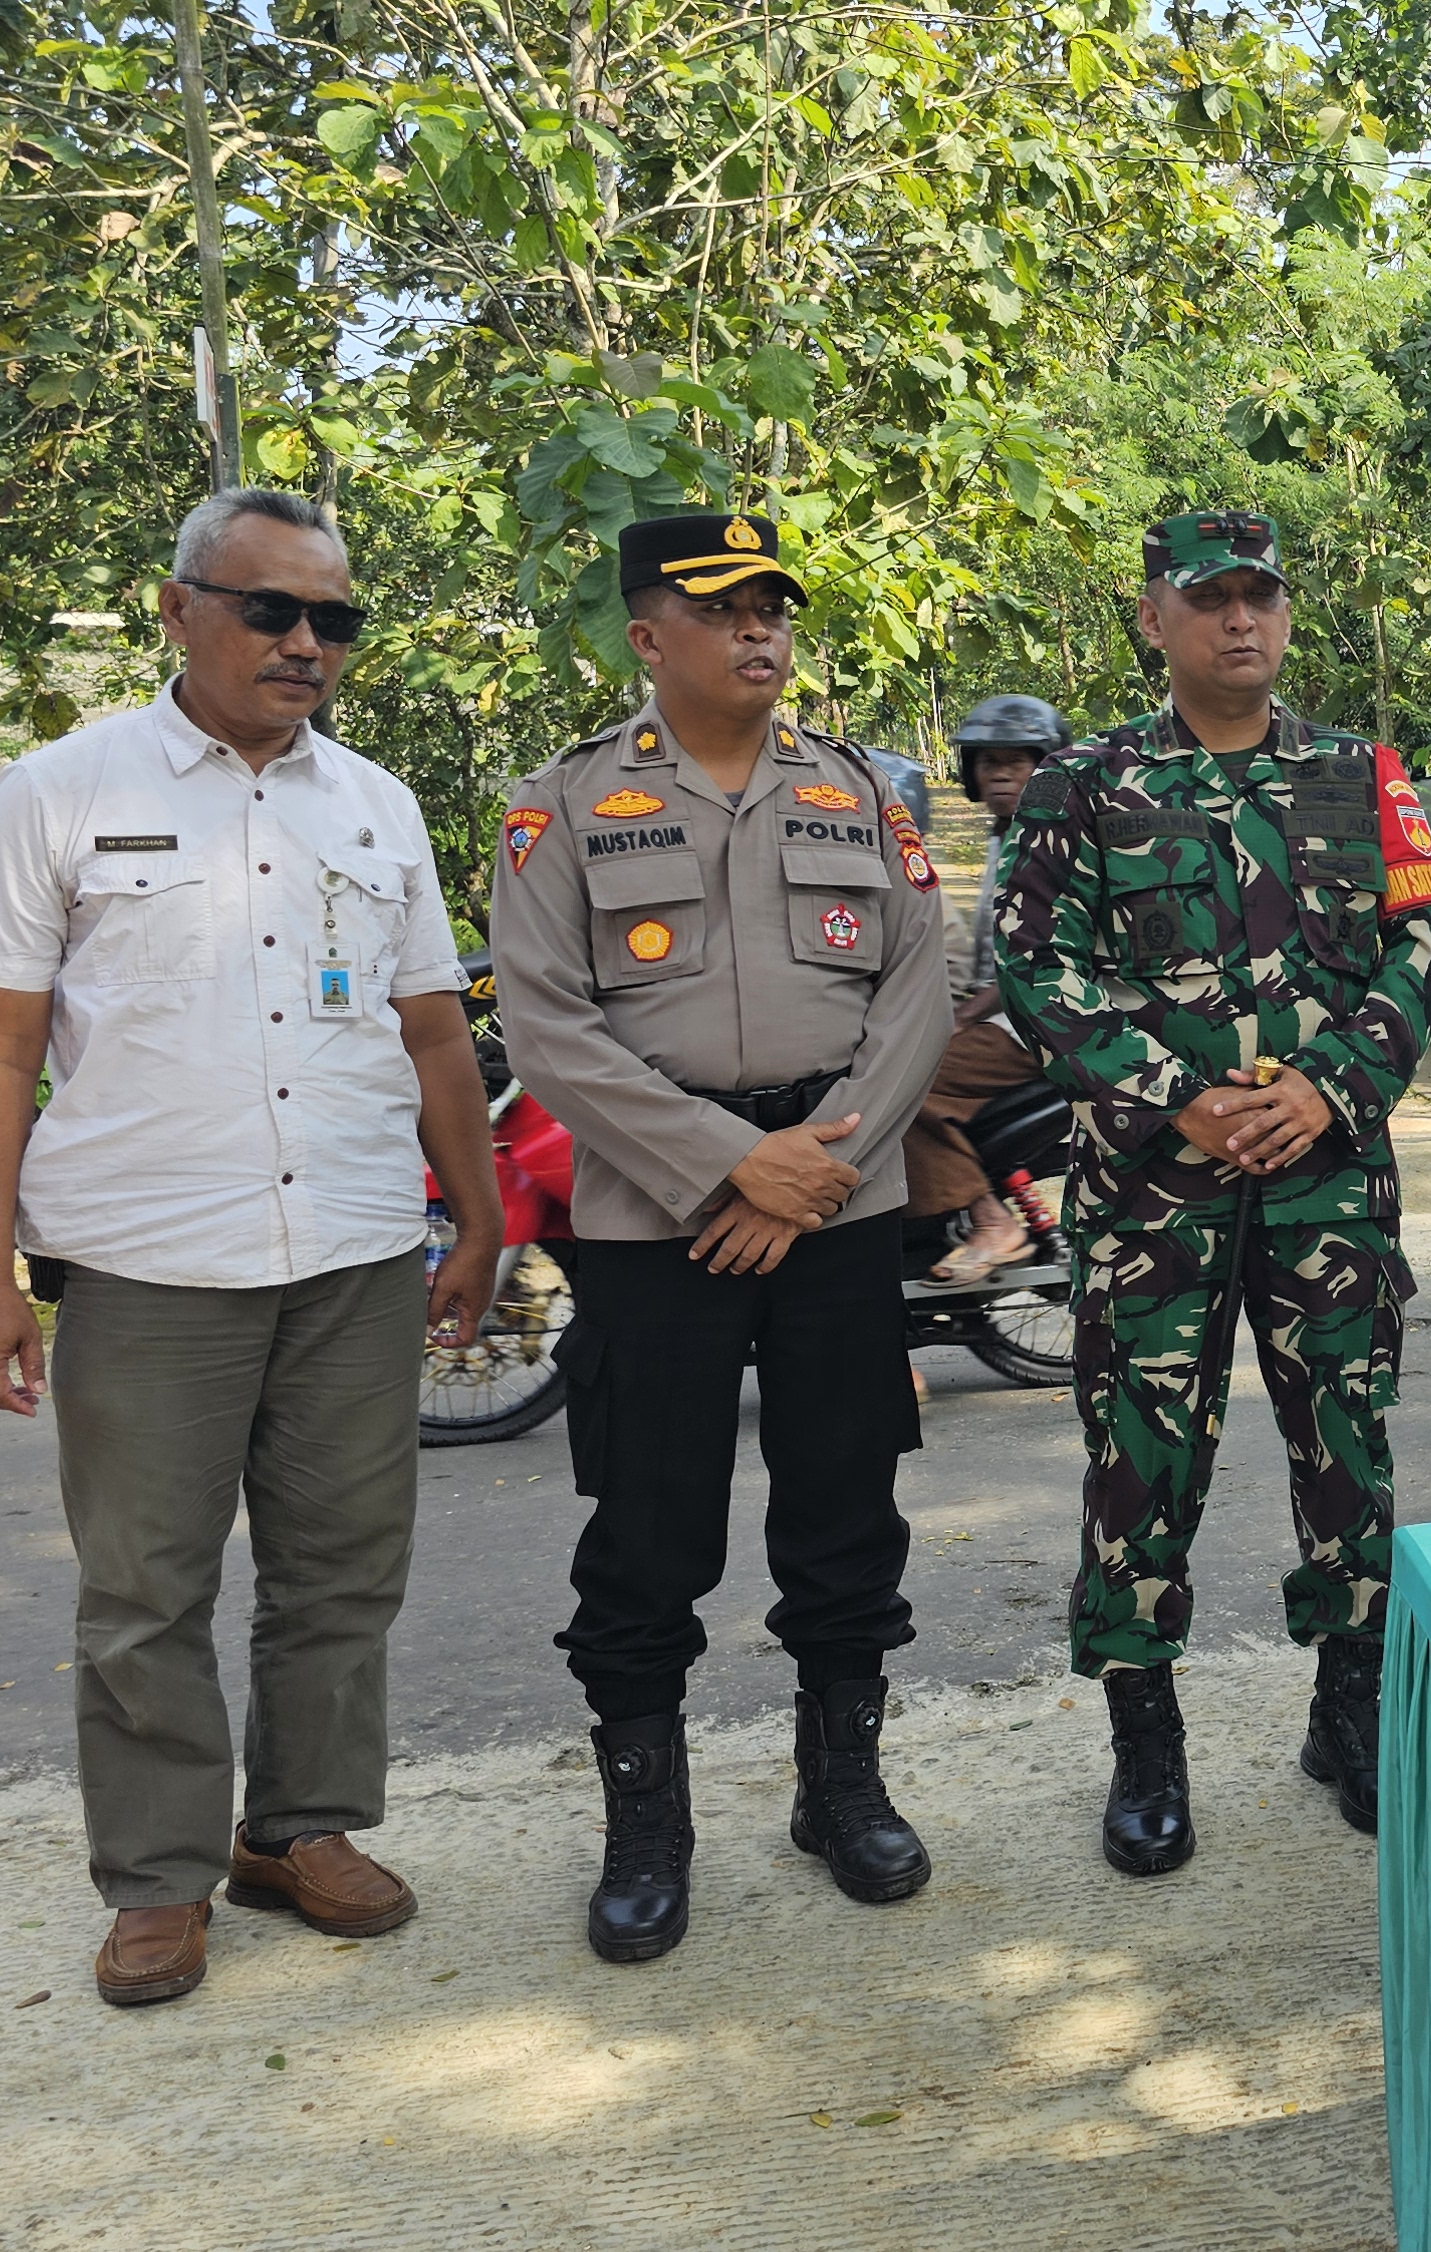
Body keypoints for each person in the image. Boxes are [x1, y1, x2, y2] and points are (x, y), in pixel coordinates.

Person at [0, 487, 498, 2006]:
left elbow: (433, 1025)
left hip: (359, 1243)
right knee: (144, 1589)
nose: (306, 644)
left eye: (334, 619)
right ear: (178, 607)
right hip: (144, 1257)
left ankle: (298, 1831)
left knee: (340, 1572)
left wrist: (484, 1210)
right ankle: (159, 1878)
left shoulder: (374, 804)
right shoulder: (59, 790)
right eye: (272, 610)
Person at [493, 510, 949, 1962]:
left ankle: (843, 1787)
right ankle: (648, 1826)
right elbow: (547, 1026)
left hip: (838, 1200)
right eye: (724, 610)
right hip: (657, 1223)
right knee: (646, 1525)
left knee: (846, 1506)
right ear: (648, 638)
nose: (761, 633)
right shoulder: (559, 808)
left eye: (775, 610)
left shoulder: (861, 795)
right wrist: (723, 1172)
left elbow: (918, 994)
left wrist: (810, 1169)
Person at [995, 508, 1431, 1852]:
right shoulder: (1087, 786)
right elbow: (1039, 968)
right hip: (1154, 1193)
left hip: (1327, 1182)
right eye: (1209, 600)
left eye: (1260, 595)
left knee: (1348, 1454)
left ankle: (1350, 1709)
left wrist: (1328, 1087)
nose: (1240, 620)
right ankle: (1147, 1741)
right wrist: (1179, 1096)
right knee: (1142, 1464)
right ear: (1155, 619)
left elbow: (1426, 946)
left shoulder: (1362, 776)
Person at [904, 693, 1065, 1282]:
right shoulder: (1006, 834)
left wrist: (963, 1018)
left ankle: (991, 1219)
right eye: (987, 762)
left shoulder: (1053, 839)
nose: (999, 773)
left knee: (904, 1081)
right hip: (1004, 1014)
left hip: (1035, 1021)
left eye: (1016, 761)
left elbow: (1031, 957)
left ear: (1047, 765)